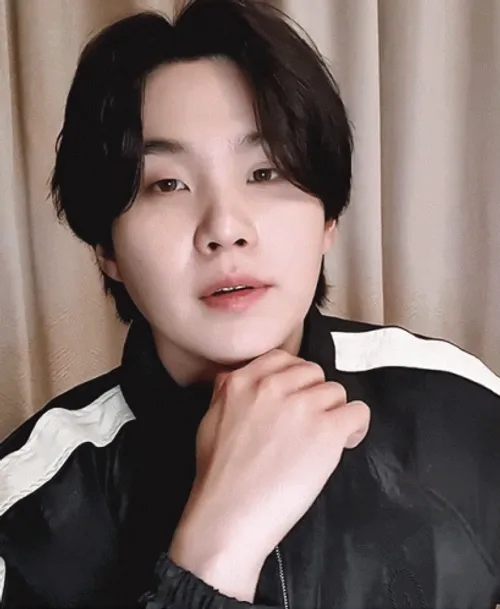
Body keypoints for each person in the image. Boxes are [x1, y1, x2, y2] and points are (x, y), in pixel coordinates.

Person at [1, 0, 500, 607]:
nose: (225, 229)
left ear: (328, 218)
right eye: (167, 184)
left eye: (264, 173)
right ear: (107, 249)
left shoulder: (463, 407)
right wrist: (213, 554)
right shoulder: (28, 508)